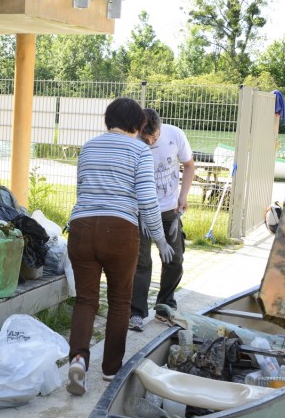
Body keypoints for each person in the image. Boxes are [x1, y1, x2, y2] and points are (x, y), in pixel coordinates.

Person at [65, 98, 173, 396]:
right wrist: (160, 239)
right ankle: (111, 369)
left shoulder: (88, 147)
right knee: (120, 301)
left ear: (108, 120)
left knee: (86, 300)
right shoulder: (140, 150)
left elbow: (82, 189)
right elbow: (148, 201)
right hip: (121, 230)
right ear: (138, 125)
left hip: (82, 227)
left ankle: (77, 360)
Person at [129, 109, 195, 331]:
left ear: (160, 127)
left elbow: (189, 165)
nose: (150, 141)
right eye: (145, 138)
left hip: (169, 210)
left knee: (174, 259)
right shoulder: (133, 143)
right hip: (142, 212)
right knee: (142, 262)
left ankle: (165, 306)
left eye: (154, 137)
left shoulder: (175, 135)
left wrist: (183, 196)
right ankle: (136, 313)